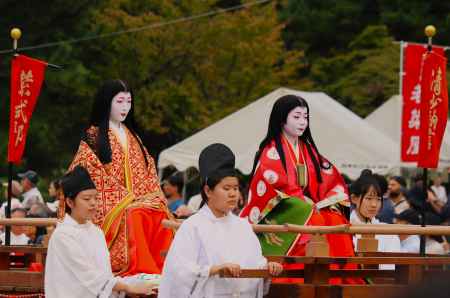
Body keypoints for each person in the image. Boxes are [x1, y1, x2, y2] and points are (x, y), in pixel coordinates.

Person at [239, 95, 357, 283]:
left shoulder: (308, 150)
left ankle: (342, 274)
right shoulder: (271, 151)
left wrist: (326, 200)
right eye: (297, 117)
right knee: (313, 216)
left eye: (305, 117)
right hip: (281, 210)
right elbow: (276, 185)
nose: (303, 122)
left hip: (308, 207)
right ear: (282, 118)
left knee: (334, 218)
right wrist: (306, 203)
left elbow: (328, 179)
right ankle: (311, 272)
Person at [67, 79, 173, 275]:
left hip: (139, 199)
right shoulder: (94, 135)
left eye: (129, 102)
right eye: (119, 102)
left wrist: (150, 196)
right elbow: (86, 170)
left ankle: (164, 270)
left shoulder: (134, 136)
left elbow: (148, 170)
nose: (125, 107)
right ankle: (139, 269)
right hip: (111, 205)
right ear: (107, 102)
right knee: (134, 214)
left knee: (159, 212)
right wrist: (124, 199)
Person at [159, 144, 283, 298]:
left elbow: (254, 264)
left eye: (236, 188)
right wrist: (215, 270)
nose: (233, 194)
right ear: (208, 191)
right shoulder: (193, 226)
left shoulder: (243, 226)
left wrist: (267, 269)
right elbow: (179, 272)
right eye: (226, 188)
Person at [45, 166, 157, 298]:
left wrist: (132, 287)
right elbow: (90, 277)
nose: (93, 203)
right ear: (70, 202)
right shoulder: (63, 236)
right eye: (87, 199)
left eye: (95, 198)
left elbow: (104, 276)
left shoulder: (96, 232)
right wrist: (128, 287)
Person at [349, 171, 401, 266]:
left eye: (378, 199)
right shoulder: (342, 228)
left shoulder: (389, 232)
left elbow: (391, 268)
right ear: (354, 199)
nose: (374, 205)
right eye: (369, 198)